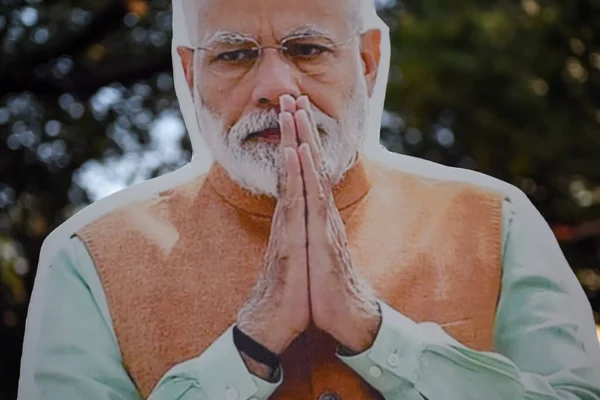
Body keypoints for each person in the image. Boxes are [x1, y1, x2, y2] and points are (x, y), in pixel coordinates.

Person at [18, 0, 600, 399]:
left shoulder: (494, 223)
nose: (276, 88)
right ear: (190, 73)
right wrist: (251, 342)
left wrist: (374, 331)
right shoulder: (90, 261)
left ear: (368, 62)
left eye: (307, 49)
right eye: (235, 55)